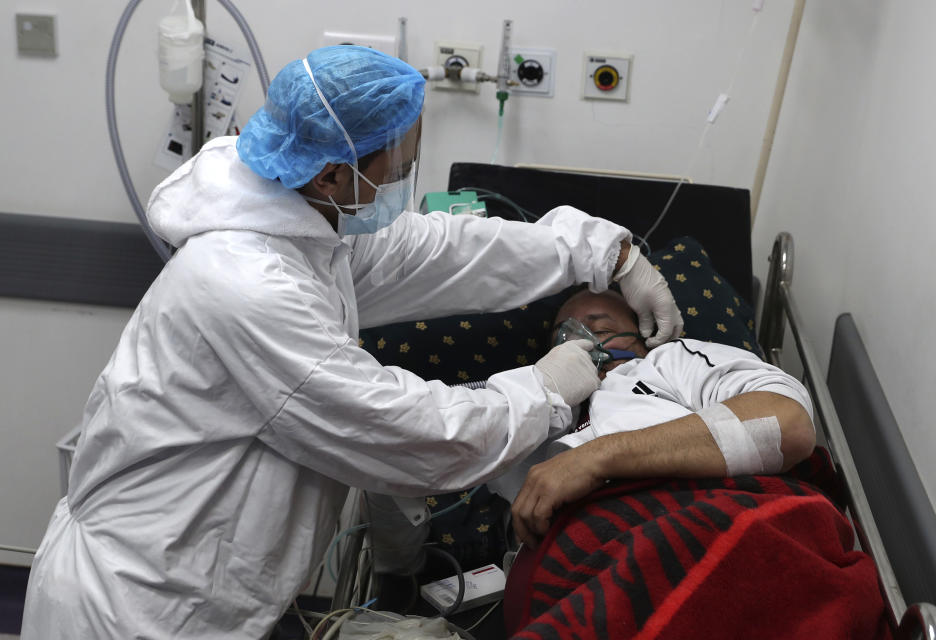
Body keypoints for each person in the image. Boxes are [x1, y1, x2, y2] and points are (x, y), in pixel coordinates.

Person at [21, 47, 683, 639]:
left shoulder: (304, 219)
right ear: (333, 176)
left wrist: (609, 251)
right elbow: (409, 435)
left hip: (195, 577)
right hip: (142, 607)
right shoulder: (247, 285)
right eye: (398, 167)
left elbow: (441, 250)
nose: (405, 181)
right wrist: (550, 385)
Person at [505, 289, 817, 548]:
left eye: (600, 331)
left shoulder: (669, 362)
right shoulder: (531, 409)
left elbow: (787, 424)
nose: (581, 345)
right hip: (580, 560)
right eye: (564, 339)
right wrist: (538, 392)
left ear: (641, 339)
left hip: (697, 523)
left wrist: (597, 457)